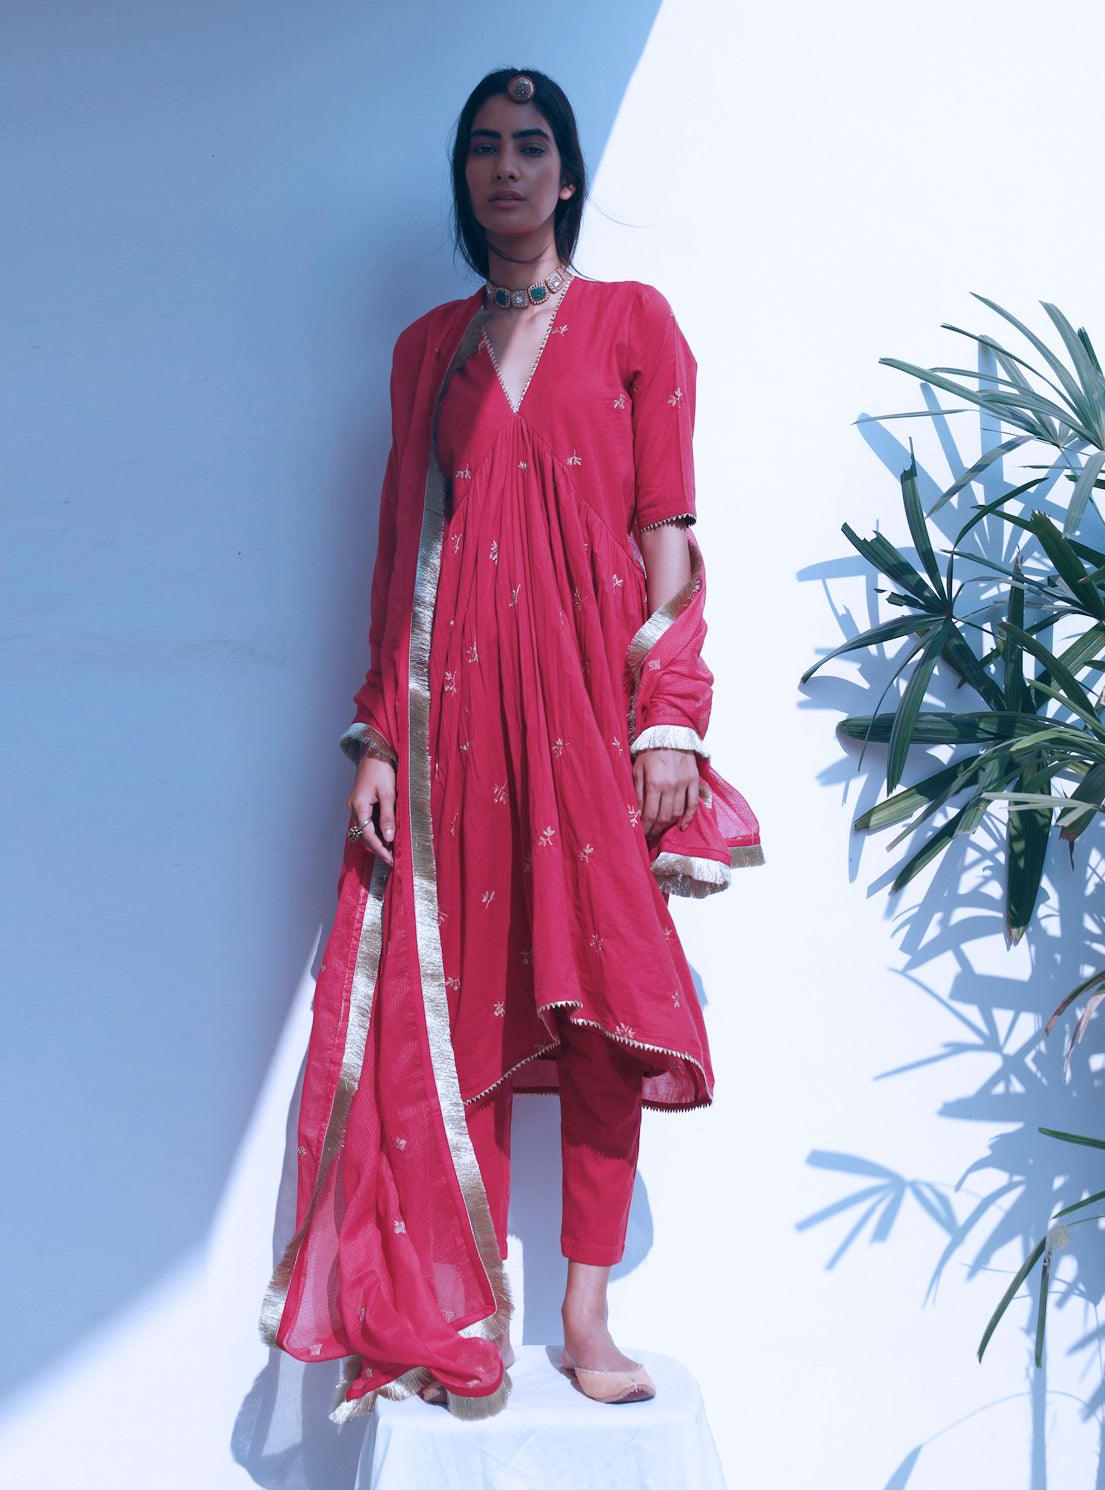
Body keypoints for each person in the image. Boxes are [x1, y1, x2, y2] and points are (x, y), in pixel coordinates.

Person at [258, 66, 763, 1421]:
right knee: (461, 1002)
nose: (506, 168)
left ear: (569, 173)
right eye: (483, 147)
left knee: (607, 1016)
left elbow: (670, 536)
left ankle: (586, 1316)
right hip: (460, 721)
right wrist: (381, 737)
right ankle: (463, 1305)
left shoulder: (634, 323)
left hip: (594, 713)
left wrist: (670, 713)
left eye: (531, 146)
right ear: (464, 178)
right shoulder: (429, 349)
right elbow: (398, 555)